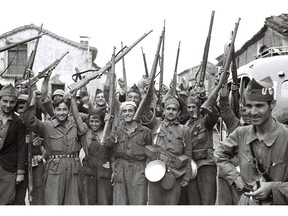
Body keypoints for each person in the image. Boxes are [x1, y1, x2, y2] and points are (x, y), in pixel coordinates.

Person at [214, 76, 288, 205]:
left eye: (259, 106)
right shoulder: (241, 133)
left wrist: (273, 188)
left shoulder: (286, 136)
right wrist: (235, 177)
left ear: (272, 105)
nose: (252, 112)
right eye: (249, 106)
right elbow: (220, 153)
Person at [23, 90, 83, 205]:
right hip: (55, 169)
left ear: (69, 110)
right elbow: (29, 121)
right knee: (53, 201)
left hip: (74, 168)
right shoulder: (47, 126)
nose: (62, 113)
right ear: (54, 111)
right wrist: (33, 99)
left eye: (64, 109)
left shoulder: (75, 125)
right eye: (59, 109)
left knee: (73, 203)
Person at [146, 94, 192, 205]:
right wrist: (148, 92)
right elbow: (144, 112)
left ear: (179, 112)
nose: (171, 112)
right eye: (168, 109)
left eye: (174, 109)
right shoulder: (156, 124)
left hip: (175, 173)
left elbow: (188, 154)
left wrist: (186, 176)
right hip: (155, 170)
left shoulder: (184, 130)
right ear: (164, 110)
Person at [71, 92, 113, 205]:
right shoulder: (85, 132)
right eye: (92, 121)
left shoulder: (106, 132)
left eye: (97, 121)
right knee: (88, 201)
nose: (94, 124)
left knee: (104, 201)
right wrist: (73, 98)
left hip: (104, 171)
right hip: (88, 171)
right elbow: (76, 116)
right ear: (88, 121)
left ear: (102, 122)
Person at [108, 101, 152, 205]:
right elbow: (112, 153)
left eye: (130, 111)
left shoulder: (146, 131)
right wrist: (115, 170)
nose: (127, 113)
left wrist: (145, 172)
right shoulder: (117, 131)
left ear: (136, 112)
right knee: (120, 202)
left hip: (139, 169)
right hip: (120, 168)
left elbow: (150, 155)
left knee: (138, 202)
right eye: (124, 111)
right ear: (121, 114)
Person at [184, 95, 219, 205]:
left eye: (193, 107)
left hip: (206, 164)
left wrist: (205, 99)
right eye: (188, 107)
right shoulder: (186, 125)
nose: (191, 110)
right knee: (194, 200)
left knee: (208, 199)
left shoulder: (205, 121)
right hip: (192, 166)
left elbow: (214, 114)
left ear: (199, 107)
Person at [0, 84, 26, 204]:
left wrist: (20, 171)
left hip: (9, 167)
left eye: (12, 102)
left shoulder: (19, 121)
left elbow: (21, 147)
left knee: (6, 200)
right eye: (5, 101)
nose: (8, 105)